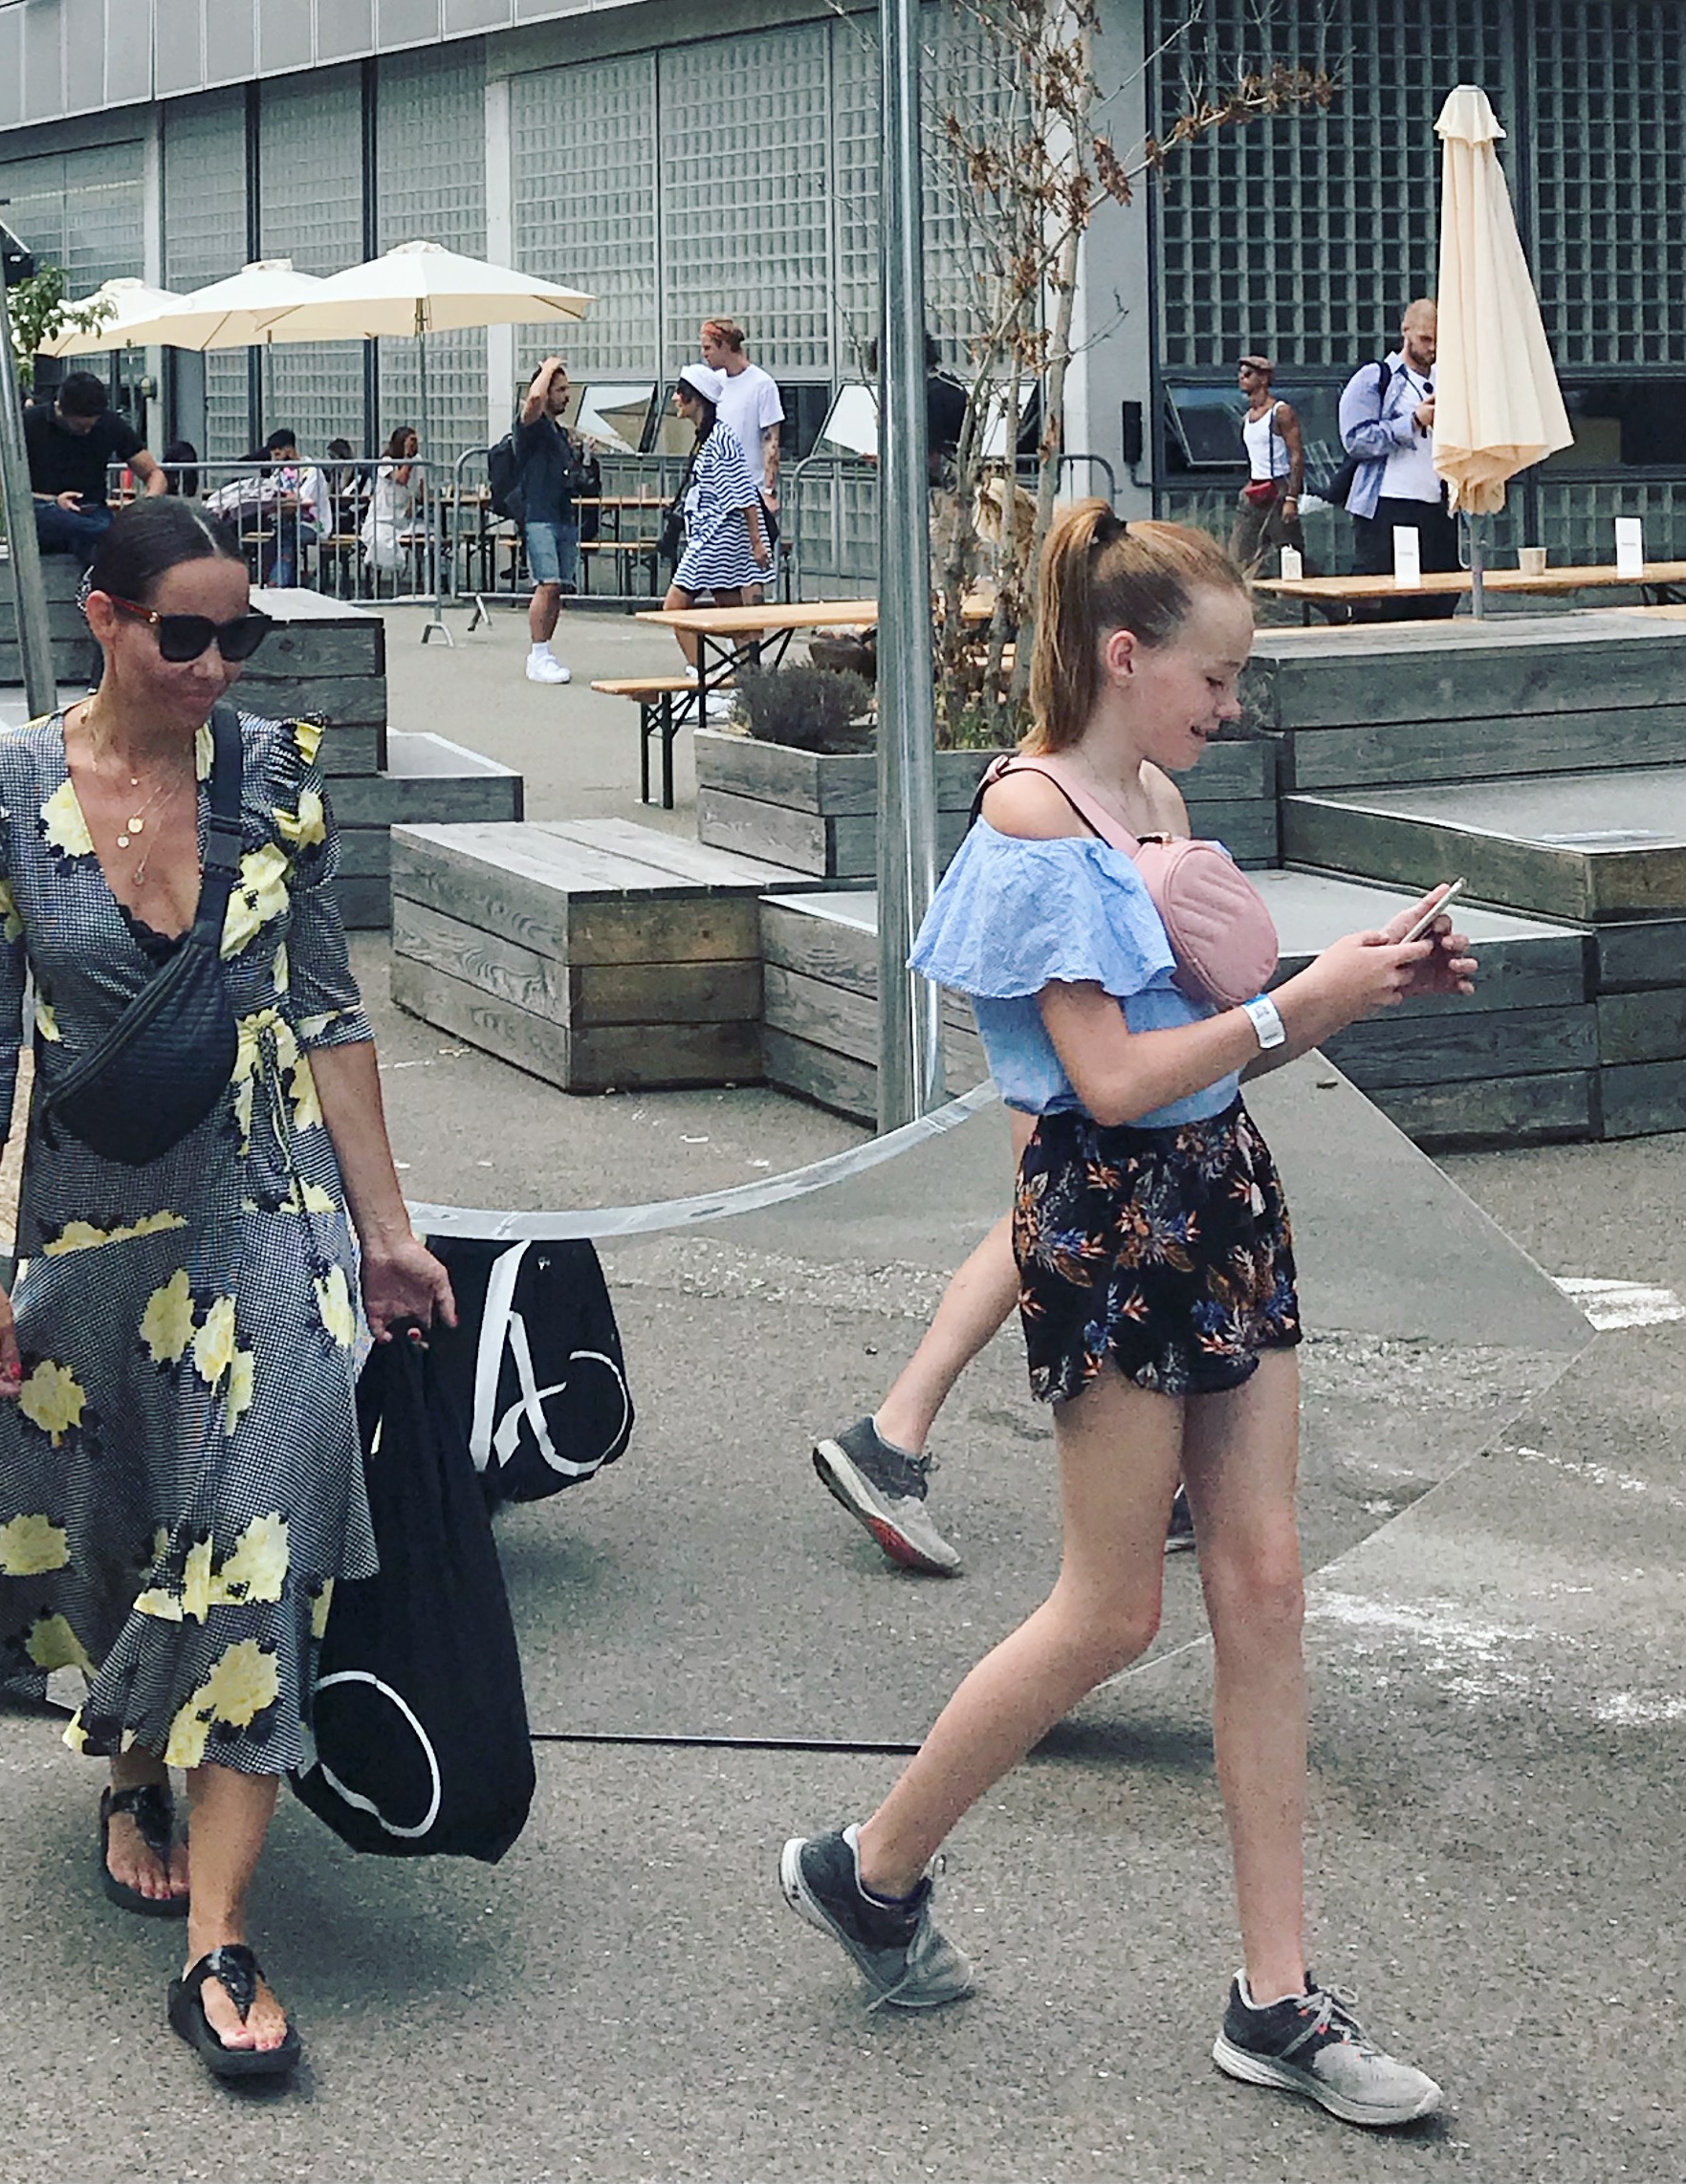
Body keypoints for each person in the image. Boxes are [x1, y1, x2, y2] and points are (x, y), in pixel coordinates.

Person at [780, 498, 1472, 2131]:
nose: (1227, 707)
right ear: (1121, 655)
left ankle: (1275, 1996)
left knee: (1264, 1583)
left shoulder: (1147, 793)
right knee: (1109, 1611)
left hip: (1217, 1191)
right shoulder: (1033, 815)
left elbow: (1207, 1049)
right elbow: (1104, 1080)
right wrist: (1296, 1004)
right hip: (1107, 1219)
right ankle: (869, 1866)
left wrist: (1353, 982)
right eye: (1211, 676)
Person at [0, 497, 454, 2081]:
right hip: (97, 1224)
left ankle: (218, 1938)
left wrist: (387, 1230)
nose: (212, 665)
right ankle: (129, 1766)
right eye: (182, 633)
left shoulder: (274, 778)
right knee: (128, 1519)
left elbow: (331, 1012)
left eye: (236, 635)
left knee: (251, 1538)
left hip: (264, 1209)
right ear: (106, 619)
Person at [1339, 299, 1456, 621]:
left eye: (1439, 341)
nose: (1432, 348)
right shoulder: (1376, 377)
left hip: (1436, 504)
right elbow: (1355, 439)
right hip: (1386, 503)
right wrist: (1413, 421)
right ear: (1406, 331)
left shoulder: (1449, 380)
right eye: (1425, 339)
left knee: (1439, 596)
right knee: (1385, 600)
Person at [657, 363, 770, 684]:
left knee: (675, 606)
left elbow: (743, 491)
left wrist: (757, 540)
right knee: (730, 609)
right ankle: (750, 678)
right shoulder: (711, 437)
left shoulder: (719, 439)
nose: (676, 399)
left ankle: (702, 678)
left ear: (697, 399)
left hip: (716, 537)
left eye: (681, 393)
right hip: (717, 535)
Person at [25, 371, 168, 584]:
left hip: (91, 512)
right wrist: (54, 500)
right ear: (61, 409)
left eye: (92, 425)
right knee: (90, 530)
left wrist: (146, 505)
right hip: (43, 510)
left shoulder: (110, 424)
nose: (87, 431)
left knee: (91, 537)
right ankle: (111, 539)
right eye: (80, 426)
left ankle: (95, 583)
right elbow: (1, 488)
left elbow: (154, 474)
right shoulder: (29, 422)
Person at [701, 318, 784, 602]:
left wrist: (769, 490)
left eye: (708, 347)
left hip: (751, 487)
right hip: (721, 492)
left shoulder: (761, 384)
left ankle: (752, 623)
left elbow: (771, 439)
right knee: (723, 569)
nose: (704, 354)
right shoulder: (717, 385)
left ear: (725, 346)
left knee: (751, 566)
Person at [515, 357, 580, 684]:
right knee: (547, 583)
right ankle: (537, 654)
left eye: (567, 389)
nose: (566, 396)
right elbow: (534, 400)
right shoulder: (532, 425)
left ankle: (545, 651)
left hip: (562, 514)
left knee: (558, 588)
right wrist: (547, 369)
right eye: (560, 390)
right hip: (539, 515)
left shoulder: (559, 432)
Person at [210, 428, 332, 589]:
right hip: (285, 525)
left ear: (289, 450)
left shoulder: (311, 471)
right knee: (272, 544)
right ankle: (266, 581)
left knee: (285, 540)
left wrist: (278, 502)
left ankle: (277, 584)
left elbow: (302, 500)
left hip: (313, 525)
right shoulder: (279, 472)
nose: (275, 460)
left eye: (278, 454)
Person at [1229, 355, 1304, 578]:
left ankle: (1323, 598)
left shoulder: (1280, 412)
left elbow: (1296, 455)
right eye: (1240, 374)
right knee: (1241, 555)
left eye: (1248, 374)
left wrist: (1291, 498)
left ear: (1263, 379)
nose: (1242, 378)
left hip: (1277, 488)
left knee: (1290, 554)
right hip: (1254, 489)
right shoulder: (1247, 416)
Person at [359, 426, 427, 582]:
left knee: (427, 535)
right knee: (380, 541)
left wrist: (415, 500)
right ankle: (377, 580)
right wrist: (407, 459)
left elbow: (422, 490)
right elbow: (401, 479)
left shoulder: (418, 461)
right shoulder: (387, 462)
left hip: (404, 520)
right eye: (411, 441)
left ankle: (427, 580)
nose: (415, 445)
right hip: (381, 520)